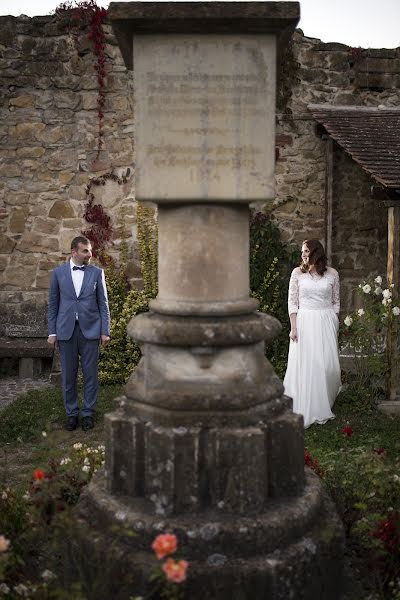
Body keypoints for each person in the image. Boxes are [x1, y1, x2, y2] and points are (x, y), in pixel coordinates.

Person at [47, 236, 110, 431]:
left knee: (91, 375)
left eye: (90, 250)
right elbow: (53, 305)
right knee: (68, 376)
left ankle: (88, 413)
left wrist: (105, 331)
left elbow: (103, 304)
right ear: (74, 251)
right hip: (66, 331)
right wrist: (52, 332)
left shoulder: (97, 273)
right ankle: (72, 414)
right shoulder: (58, 273)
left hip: (90, 331)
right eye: (85, 251)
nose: (90, 254)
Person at [283, 239, 341, 428]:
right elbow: (292, 302)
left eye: (306, 251)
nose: (303, 254)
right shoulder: (297, 273)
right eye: (302, 251)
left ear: (316, 252)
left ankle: (324, 399)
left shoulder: (332, 274)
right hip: (304, 322)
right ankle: (307, 404)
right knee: (307, 366)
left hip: (325, 322)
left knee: (328, 366)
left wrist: (332, 319)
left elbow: (336, 302)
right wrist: (293, 328)